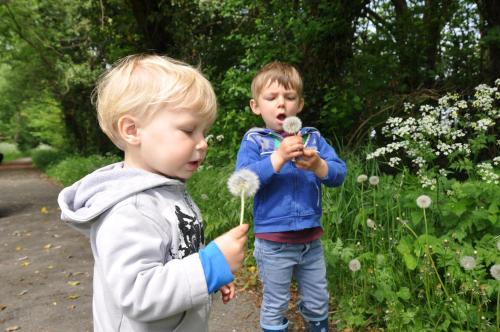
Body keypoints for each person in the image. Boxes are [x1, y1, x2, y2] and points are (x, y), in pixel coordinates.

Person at [58, 54, 249, 332]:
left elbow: (174, 252)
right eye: (188, 130)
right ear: (133, 130)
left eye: (204, 131)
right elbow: (138, 293)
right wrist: (208, 268)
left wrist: (212, 272)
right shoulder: (129, 210)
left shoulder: (167, 192)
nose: (203, 143)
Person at [235, 61, 347, 332]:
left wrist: (319, 166)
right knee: (276, 302)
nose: (281, 104)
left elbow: (339, 174)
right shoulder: (255, 140)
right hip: (273, 242)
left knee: (319, 301)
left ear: (300, 105)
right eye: (271, 98)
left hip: (311, 241)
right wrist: (279, 157)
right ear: (256, 106)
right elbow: (244, 182)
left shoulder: (313, 139)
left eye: (290, 97)